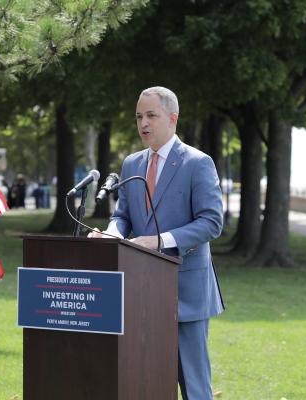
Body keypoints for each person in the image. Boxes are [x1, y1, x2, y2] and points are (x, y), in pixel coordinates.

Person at [89, 86, 224, 399]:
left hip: (185, 295)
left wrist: (160, 241)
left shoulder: (197, 163)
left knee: (193, 387)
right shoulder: (131, 164)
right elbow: (123, 215)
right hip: (140, 295)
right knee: (145, 382)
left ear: (172, 119)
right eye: (139, 116)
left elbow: (211, 222)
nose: (143, 123)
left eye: (151, 115)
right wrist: (111, 233)